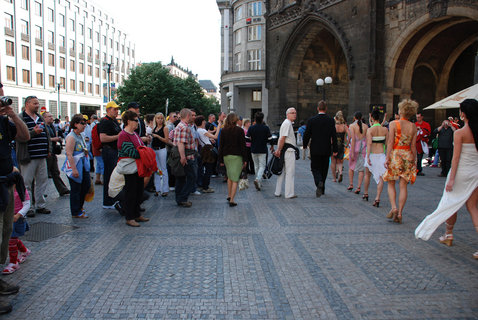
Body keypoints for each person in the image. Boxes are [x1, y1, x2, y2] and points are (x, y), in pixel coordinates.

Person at [415, 99, 478, 259]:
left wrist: (451, 179)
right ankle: (448, 234)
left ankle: (448, 234)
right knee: (473, 207)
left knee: (451, 202)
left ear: (463, 114)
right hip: (475, 173)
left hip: (461, 173)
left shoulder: (460, 133)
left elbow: (455, 159)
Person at [0, 85, 29, 313]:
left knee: (5, 231)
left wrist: (12, 115)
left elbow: (24, 136)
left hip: (6, 183)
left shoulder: (3, 120)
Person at [383, 99, 418, 224]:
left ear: (401, 110)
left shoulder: (393, 124)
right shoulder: (413, 127)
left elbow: (390, 142)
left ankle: (394, 207)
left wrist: (387, 157)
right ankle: (400, 213)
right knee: (403, 186)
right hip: (408, 155)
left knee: (391, 183)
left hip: (396, 155)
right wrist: (415, 160)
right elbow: (413, 146)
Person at [17, 96, 52, 216]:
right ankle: (29, 206)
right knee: (27, 182)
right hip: (29, 156)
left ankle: (40, 205)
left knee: (42, 181)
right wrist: (33, 132)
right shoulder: (21, 118)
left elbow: (46, 135)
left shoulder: (40, 117)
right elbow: (20, 136)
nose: (37, 105)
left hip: (41, 155)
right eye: (35, 103)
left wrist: (48, 149)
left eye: (38, 103)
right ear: (27, 104)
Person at [117, 111, 150, 227]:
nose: (138, 122)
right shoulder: (124, 135)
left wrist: (143, 151)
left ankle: (137, 214)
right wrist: (144, 153)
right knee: (130, 193)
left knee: (138, 191)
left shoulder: (134, 134)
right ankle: (129, 217)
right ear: (129, 121)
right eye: (136, 120)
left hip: (138, 167)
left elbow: (141, 147)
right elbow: (131, 152)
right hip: (130, 167)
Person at [303, 101, 338, 197]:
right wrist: (335, 149)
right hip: (326, 148)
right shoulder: (330, 120)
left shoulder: (311, 120)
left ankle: (319, 182)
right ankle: (322, 188)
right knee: (324, 168)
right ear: (326, 109)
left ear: (318, 108)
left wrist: (305, 145)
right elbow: (334, 136)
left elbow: (307, 134)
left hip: (315, 148)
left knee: (315, 168)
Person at [63, 115, 91, 218]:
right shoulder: (71, 137)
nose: (84, 125)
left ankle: (80, 206)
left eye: (85, 123)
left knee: (86, 186)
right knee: (76, 189)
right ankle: (76, 211)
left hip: (83, 164)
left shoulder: (81, 135)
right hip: (75, 165)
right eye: (82, 123)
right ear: (75, 124)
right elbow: (69, 154)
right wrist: (74, 169)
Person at [218, 113, 247, 206]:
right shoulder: (239, 130)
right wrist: (245, 159)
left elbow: (220, 146)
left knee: (230, 176)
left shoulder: (223, 130)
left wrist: (220, 160)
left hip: (226, 156)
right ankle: (232, 200)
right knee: (235, 179)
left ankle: (229, 195)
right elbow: (243, 146)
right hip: (237, 156)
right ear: (235, 120)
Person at [2, 181, 31, 275]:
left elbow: (27, 204)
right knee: (12, 238)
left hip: (17, 219)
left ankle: (13, 263)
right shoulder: (4, 188)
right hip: (7, 217)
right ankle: (24, 250)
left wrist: (18, 215)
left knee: (11, 240)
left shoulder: (21, 190)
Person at [98, 101, 121, 209]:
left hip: (114, 151)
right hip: (109, 151)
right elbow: (103, 138)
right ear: (108, 110)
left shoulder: (114, 121)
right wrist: (118, 136)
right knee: (109, 176)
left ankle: (113, 199)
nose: (116, 111)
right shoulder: (105, 121)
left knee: (113, 177)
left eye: (117, 109)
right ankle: (107, 202)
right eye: (114, 109)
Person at [363, 110, 388, 207]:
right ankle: (377, 197)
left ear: (372, 118)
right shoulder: (385, 130)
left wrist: (368, 157)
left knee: (367, 174)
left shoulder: (370, 130)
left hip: (372, 154)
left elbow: (369, 144)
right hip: (381, 154)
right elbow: (387, 143)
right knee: (381, 177)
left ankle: (366, 193)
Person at [172, 108, 197, 207]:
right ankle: (182, 198)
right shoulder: (184, 127)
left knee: (181, 178)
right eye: (191, 115)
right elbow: (181, 143)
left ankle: (179, 198)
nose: (192, 117)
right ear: (187, 116)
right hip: (186, 157)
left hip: (182, 156)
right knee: (192, 177)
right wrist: (183, 157)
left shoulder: (180, 126)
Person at [274, 107, 298, 199]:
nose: (294, 114)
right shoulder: (287, 123)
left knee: (282, 171)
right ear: (287, 114)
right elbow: (282, 138)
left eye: (295, 113)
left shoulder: (287, 123)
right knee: (289, 172)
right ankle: (289, 193)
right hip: (288, 151)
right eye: (292, 113)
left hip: (286, 150)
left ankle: (278, 191)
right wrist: (278, 150)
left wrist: (279, 149)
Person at [44, 112, 70, 196]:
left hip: (52, 152)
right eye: (49, 116)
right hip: (47, 153)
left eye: (51, 116)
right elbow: (44, 139)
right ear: (44, 118)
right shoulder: (43, 127)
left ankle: (62, 189)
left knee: (55, 172)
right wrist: (53, 139)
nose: (51, 118)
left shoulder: (51, 126)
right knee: (43, 174)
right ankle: (40, 192)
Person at [246, 112, 272, 191]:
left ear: (255, 119)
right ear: (262, 119)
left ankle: (259, 183)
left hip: (253, 149)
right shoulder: (265, 128)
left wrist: (252, 140)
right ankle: (257, 179)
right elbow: (270, 139)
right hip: (262, 149)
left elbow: (246, 138)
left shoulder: (251, 128)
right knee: (262, 166)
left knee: (256, 166)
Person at [196, 115, 220, 193]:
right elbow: (216, 136)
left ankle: (204, 186)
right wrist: (219, 125)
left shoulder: (198, 130)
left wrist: (209, 138)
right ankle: (206, 187)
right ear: (202, 122)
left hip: (204, 150)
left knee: (205, 169)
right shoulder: (203, 131)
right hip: (208, 151)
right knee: (208, 170)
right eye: (204, 121)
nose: (205, 122)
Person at [348, 111, 368, 194]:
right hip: (363, 147)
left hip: (355, 147)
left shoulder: (352, 126)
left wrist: (351, 152)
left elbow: (353, 140)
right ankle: (359, 186)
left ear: (354, 117)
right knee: (361, 169)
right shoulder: (366, 126)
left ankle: (351, 184)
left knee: (351, 166)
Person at [151, 112, 170, 197]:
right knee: (157, 170)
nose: (160, 120)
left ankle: (165, 189)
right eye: (158, 118)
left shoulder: (165, 128)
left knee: (163, 169)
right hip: (154, 150)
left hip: (161, 149)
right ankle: (157, 188)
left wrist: (157, 136)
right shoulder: (154, 128)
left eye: (161, 118)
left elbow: (166, 140)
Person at [331, 111, 348, 183]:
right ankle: (340, 172)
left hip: (333, 145)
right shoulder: (344, 126)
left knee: (333, 161)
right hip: (341, 144)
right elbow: (349, 134)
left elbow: (330, 136)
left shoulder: (333, 126)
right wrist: (347, 142)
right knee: (340, 161)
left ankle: (334, 178)